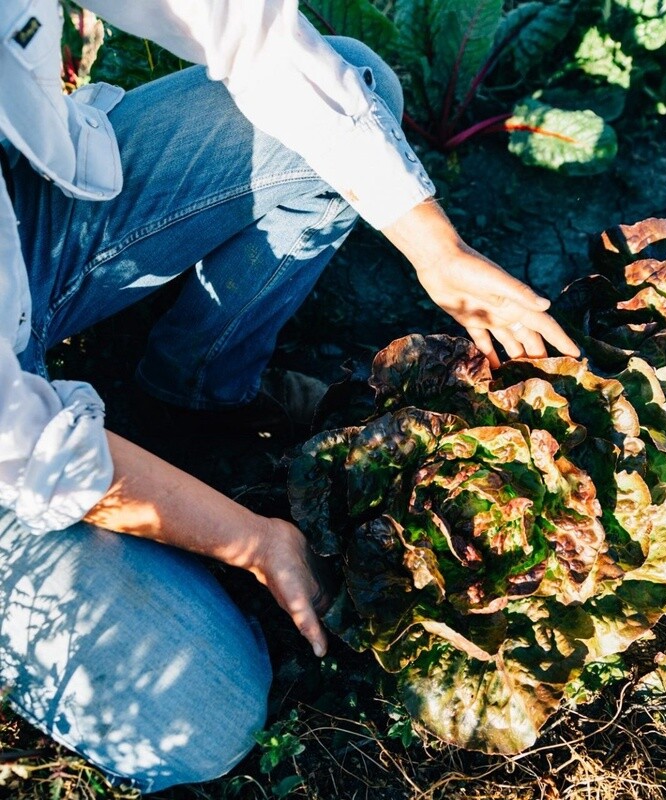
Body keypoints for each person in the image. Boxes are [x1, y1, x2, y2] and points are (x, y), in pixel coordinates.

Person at [0, 0, 579, 791]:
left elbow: (246, 26)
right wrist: (252, 539)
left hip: (21, 222)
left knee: (352, 90)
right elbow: (25, 446)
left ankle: (196, 394)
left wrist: (435, 247)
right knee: (206, 715)